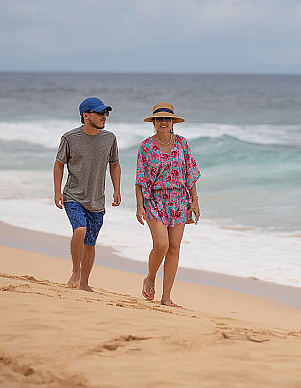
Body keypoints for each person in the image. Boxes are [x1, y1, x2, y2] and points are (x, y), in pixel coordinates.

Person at [136, 102, 201, 307]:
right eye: (159, 119)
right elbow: (140, 179)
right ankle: (150, 278)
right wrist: (140, 207)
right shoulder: (146, 146)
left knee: (174, 247)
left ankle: (166, 297)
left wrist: (195, 201)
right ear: (153, 122)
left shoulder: (182, 143)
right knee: (161, 244)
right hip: (154, 200)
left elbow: (190, 174)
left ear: (173, 122)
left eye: (167, 119)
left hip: (179, 201)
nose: (163, 122)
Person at [53, 97, 121, 291]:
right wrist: (57, 191)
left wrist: (117, 189)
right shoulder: (69, 138)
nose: (104, 117)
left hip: (97, 200)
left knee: (90, 243)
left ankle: (84, 283)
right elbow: (59, 164)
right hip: (73, 195)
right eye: (100, 113)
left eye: (105, 113)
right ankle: (76, 270)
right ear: (86, 115)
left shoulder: (109, 138)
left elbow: (115, 165)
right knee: (80, 231)